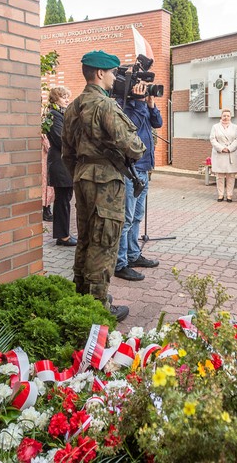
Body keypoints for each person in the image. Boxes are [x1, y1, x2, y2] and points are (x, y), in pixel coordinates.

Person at [62, 50, 145, 322]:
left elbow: (67, 153)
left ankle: (80, 294)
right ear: (100, 73)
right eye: (112, 73)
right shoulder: (105, 105)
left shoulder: (73, 106)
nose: (114, 78)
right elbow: (134, 148)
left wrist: (82, 173)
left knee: (85, 238)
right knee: (105, 241)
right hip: (106, 181)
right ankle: (97, 305)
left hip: (82, 177)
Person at [114, 82, 163, 281]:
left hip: (143, 169)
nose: (144, 92)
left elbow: (157, 123)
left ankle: (133, 255)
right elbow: (131, 126)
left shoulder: (142, 106)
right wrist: (139, 103)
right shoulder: (122, 106)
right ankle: (120, 263)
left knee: (136, 217)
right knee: (126, 219)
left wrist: (150, 104)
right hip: (130, 171)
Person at [45, 87, 76, 247]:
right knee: (62, 200)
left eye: (67, 96)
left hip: (64, 164)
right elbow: (60, 140)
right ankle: (62, 236)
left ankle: (63, 234)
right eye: (63, 96)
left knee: (65, 199)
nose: (66, 99)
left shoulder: (61, 114)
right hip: (60, 164)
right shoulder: (53, 115)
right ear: (55, 98)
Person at [209, 109, 237, 202]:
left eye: (228, 115)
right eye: (224, 115)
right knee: (219, 176)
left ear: (230, 117)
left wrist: (230, 148)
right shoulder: (215, 127)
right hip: (220, 153)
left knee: (231, 176)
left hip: (231, 153)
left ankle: (229, 195)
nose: (226, 117)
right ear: (221, 116)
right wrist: (221, 148)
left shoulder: (235, 127)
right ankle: (220, 194)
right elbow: (212, 139)